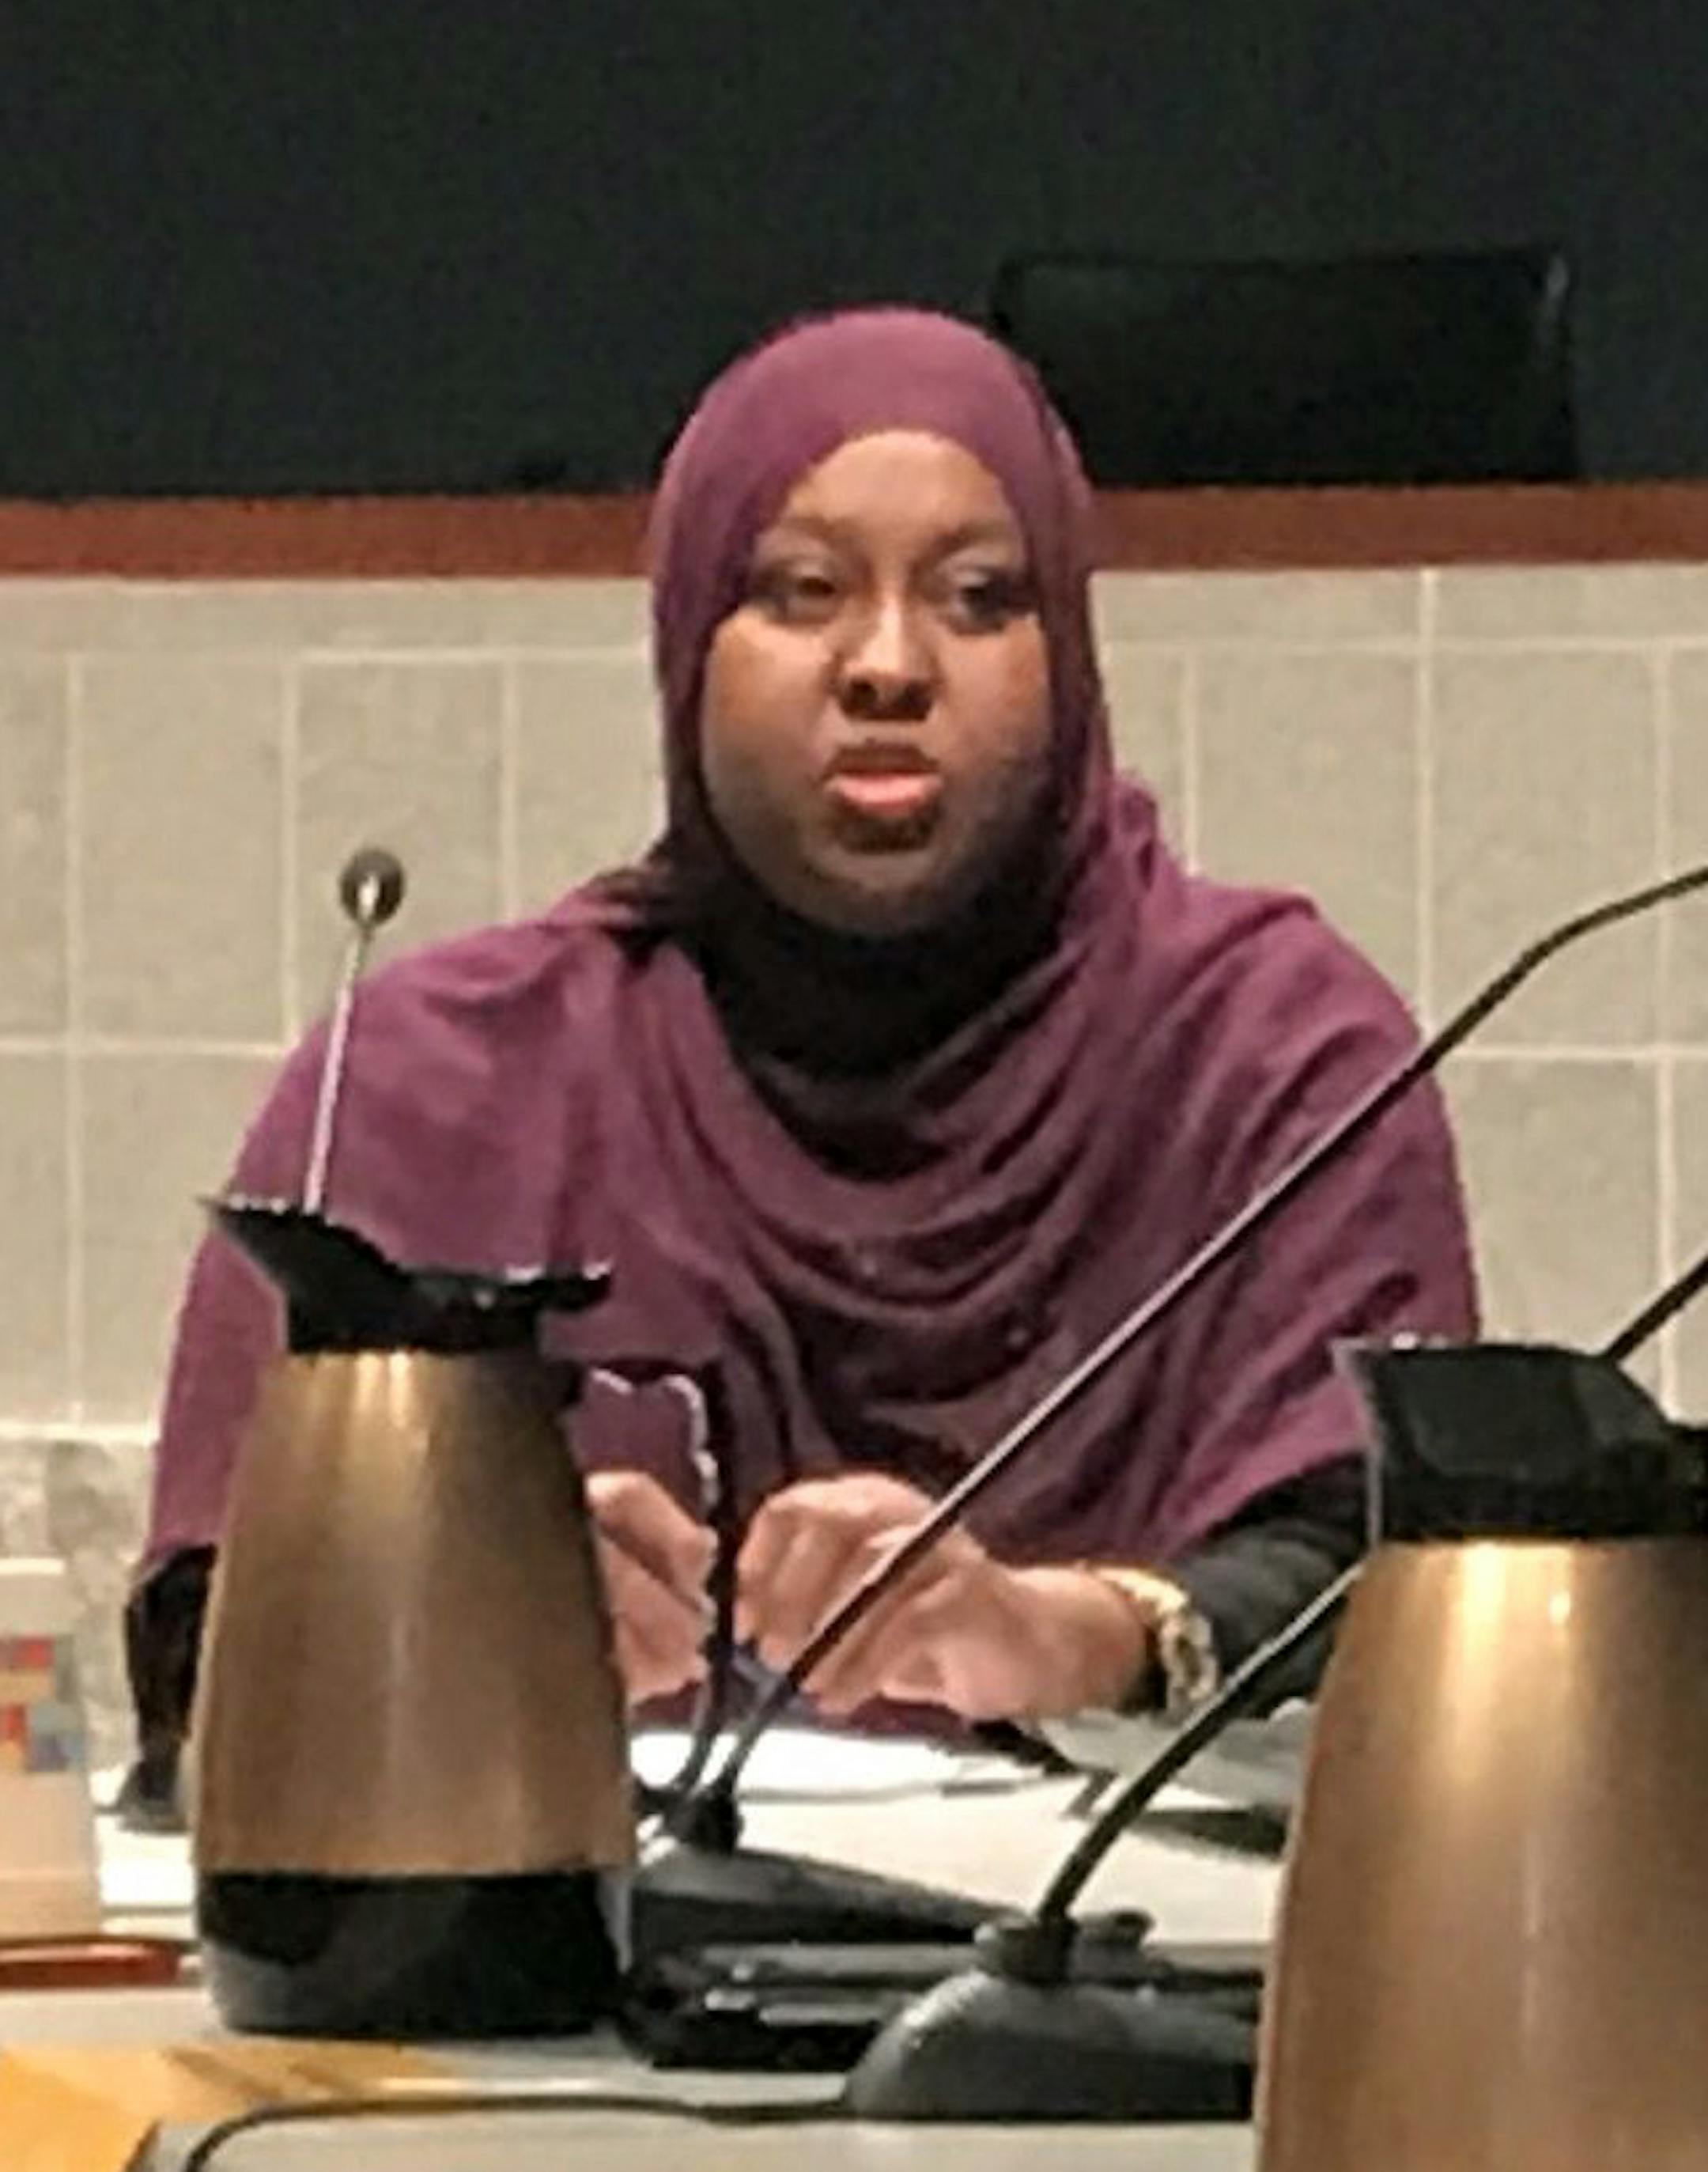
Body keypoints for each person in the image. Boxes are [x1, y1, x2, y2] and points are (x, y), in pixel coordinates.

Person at [122, 308, 1476, 1817]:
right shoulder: (437, 1084)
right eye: (801, 591)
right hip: (528, 2011)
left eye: (977, 597)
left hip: (1129, 2017)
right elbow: (202, 1688)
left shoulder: (1272, 1057)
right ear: (688, 639)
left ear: (1072, 650)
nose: (888, 665)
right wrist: (447, 1615)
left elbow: (1403, 1614)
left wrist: (1065, 1635)